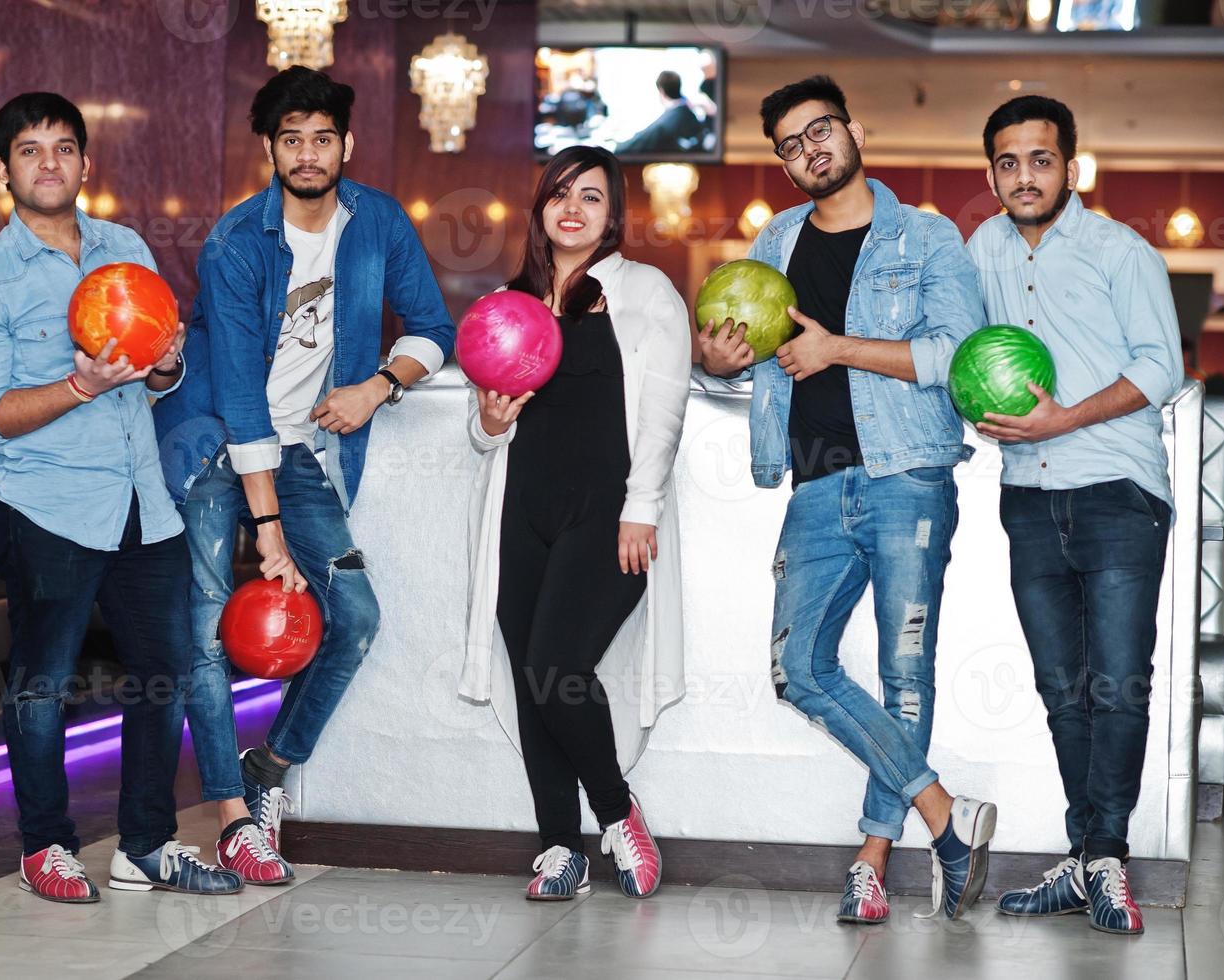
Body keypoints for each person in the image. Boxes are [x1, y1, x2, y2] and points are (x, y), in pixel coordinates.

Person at [698, 75, 995, 924]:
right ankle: (946, 815)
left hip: (906, 471)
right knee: (798, 670)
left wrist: (838, 350)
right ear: (784, 165)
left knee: (904, 670)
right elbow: (746, 350)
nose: (809, 150)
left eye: (819, 130)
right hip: (815, 481)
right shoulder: (772, 242)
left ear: (854, 130)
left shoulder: (928, 237)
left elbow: (955, 354)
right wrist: (719, 364)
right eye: (790, 144)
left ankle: (872, 859)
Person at [152, 66, 455, 884]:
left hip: (299, 452)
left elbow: (433, 328)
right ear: (269, 149)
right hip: (213, 442)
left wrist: (377, 386)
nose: (308, 152)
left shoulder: (378, 221)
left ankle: (266, 769)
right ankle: (229, 818)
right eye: (292, 139)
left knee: (353, 617)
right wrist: (268, 530)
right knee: (208, 628)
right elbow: (242, 395)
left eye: (323, 137)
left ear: (345, 144)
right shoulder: (235, 241)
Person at [0, 92, 242, 902]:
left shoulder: (125, 248)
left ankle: (145, 844)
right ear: (3, 170)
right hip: (46, 511)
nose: (50, 163)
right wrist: (78, 383)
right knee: (44, 684)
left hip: (144, 504)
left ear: (85, 162)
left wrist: (166, 367)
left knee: (162, 674)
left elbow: (148, 385)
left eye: (64, 147)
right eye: (31, 150)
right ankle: (44, 844)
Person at [968, 95, 1183, 937]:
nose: (1024, 176)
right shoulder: (981, 248)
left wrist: (1065, 418)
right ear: (991, 172)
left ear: (1071, 165)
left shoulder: (1118, 250)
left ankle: (1107, 859)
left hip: (1117, 491)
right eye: (1008, 162)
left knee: (1118, 684)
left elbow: (1158, 366)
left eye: (1040, 159)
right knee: (1062, 690)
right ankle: (1085, 855)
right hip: (1026, 493)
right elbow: (963, 348)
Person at [460, 146, 690, 901]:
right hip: (519, 512)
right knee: (533, 684)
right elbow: (482, 430)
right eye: (560, 192)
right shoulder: (511, 300)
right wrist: (490, 422)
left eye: (591, 197)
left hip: (606, 512)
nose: (573, 207)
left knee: (557, 666)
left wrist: (641, 508)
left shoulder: (644, 290)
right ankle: (560, 847)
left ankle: (618, 814)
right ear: (540, 207)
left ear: (611, 214)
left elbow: (664, 409)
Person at [614, 71, 703, 155]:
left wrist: (616, 147)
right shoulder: (687, 112)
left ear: (661, 91)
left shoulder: (665, 124)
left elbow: (640, 141)